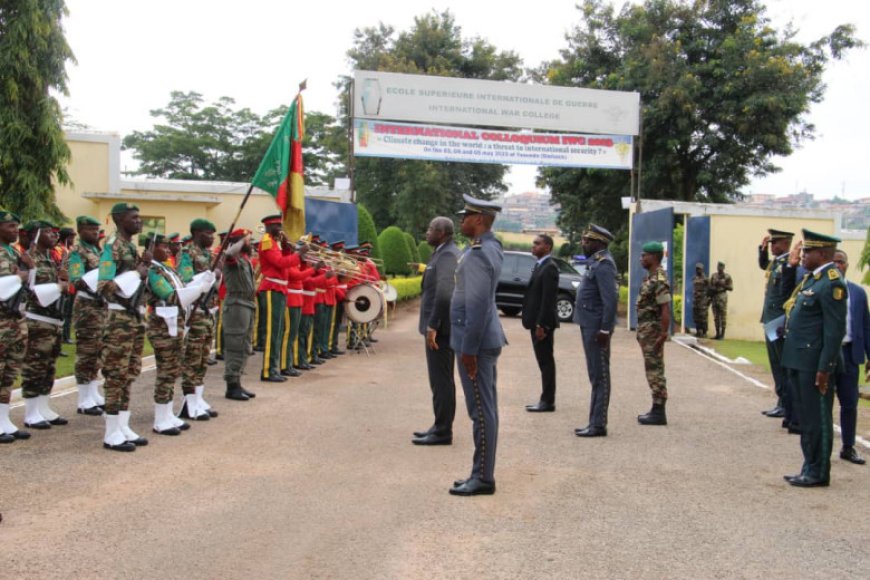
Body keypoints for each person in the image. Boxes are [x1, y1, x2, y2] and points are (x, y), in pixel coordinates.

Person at [449, 194, 507, 497]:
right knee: (485, 408)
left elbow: (477, 305)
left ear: (480, 220)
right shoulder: (488, 248)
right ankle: (480, 472)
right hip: (482, 340)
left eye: (467, 215)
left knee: (481, 411)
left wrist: (468, 350)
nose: (462, 220)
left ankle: (483, 477)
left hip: (477, 344)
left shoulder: (480, 253)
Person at [781, 229, 848, 487]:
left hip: (814, 366)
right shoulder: (813, 280)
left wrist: (825, 368)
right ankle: (809, 465)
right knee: (806, 418)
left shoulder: (832, 283)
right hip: (800, 361)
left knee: (817, 419)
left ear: (822, 254)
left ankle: (818, 471)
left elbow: (834, 331)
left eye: (808, 251)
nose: (803, 255)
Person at [97, 203, 149, 451]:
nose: (139, 221)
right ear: (119, 219)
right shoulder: (112, 247)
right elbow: (104, 286)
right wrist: (137, 274)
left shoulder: (130, 247)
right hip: (118, 319)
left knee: (129, 373)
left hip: (134, 318)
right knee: (116, 374)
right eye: (134, 217)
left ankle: (122, 425)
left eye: (139, 217)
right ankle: (111, 432)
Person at [412, 216, 460, 446]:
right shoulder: (441, 252)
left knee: (441, 380)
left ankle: (443, 431)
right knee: (438, 380)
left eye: (431, 229)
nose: (427, 232)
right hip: (437, 327)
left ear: (442, 233)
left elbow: (444, 292)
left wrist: (434, 325)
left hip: (440, 329)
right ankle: (439, 425)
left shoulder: (448, 254)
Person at [20, 220, 69, 431]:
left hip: (53, 320)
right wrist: (59, 286)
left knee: (49, 366)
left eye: (54, 232)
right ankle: (31, 412)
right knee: (35, 366)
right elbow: (32, 290)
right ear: (36, 234)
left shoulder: (50, 258)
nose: (54, 236)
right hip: (36, 319)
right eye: (48, 232)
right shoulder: (27, 258)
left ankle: (43, 406)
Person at [144, 233, 192, 435]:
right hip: (162, 326)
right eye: (163, 247)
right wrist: (196, 291)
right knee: (165, 371)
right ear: (152, 248)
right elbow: (170, 295)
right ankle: (160, 418)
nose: (168, 250)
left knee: (173, 369)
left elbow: (182, 287)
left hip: (175, 324)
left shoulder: (167, 268)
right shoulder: (153, 271)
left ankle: (168, 413)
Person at [573, 224, 618, 437]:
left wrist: (605, 330)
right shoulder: (595, 263)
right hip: (589, 325)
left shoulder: (604, 264)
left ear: (599, 243)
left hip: (597, 329)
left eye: (587, 241)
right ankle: (594, 421)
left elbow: (610, 301)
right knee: (595, 375)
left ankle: (598, 424)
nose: (584, 244)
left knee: (600, 375)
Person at [65, 215, 108, 416]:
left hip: (100, 306)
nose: (95, 233)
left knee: (98, 351)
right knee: (87, 352)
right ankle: (83, 398)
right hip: (87, 307)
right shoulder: (77, 252)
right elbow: (76, 279)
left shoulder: (97, 250)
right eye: (91, 229)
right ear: (81, 230)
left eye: (96, 229)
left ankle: (92, 392)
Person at [177, 219, 220, 419]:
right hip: (195, 312)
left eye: (213, 234)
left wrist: (217, 276)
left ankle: (198, 398)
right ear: (195, 233)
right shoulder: (187, 254)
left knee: (203, 358)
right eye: (207, 233)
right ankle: (188, 402)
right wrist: (207, 276)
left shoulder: (208, 255)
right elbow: (186, 281)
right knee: (192, 358)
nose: (211, 238)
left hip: (208, 311)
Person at [758, 230, 800, 424]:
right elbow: (763, 265)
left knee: (781, 363)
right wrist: (762, 250)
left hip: (778, 321)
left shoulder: (788, 266)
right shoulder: (776, 263)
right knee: (775, 363)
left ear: (785, 244)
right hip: (770, 319)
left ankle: (785, 403)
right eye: (771, 243)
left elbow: (786, 295)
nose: (772, 246)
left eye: (775, 243)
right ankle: (781, 400)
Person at [0, 210, 32, 444]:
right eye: (10, 226)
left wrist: (29, 270)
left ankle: (3, 421)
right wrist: (20, 276)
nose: (15, 231)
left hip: (15, 320)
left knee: (9, 374)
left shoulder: (13, 252)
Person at [831, 250, 866, 465]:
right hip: (830, 352)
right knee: (823, 402)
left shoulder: (858, 293)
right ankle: (821, 447)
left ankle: (848, 446)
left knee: (850, 403)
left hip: (850, 353)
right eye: (833, 262)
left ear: (847, 265)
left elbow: (866, 325)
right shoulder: (824, 289)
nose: (837, 265)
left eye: (841, 262)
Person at [256, 214, 299, 382]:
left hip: (279, 288)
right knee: (272, 332)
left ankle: (275, 367)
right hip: (271, 288)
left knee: (279, 330)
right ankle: (268, 370)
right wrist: (298, 255)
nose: (280, 229)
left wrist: (288, 248)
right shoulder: (267, 241)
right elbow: (280, 263)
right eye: (277, 226)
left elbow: (283, 263)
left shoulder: (275, 243)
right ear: (269, 227)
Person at [522, 234, 560, 414]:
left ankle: (547, 400)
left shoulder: (550, 268)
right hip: (536, 321)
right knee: (543, 361)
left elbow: (548, 300)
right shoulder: (540, 266)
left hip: (542, 324)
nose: (533, 246)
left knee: (546, 362)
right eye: (534, 243)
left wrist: (542, 325)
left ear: (547, 247)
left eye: (537, 244)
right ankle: (546, 398)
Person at [635, 241, 671, 426]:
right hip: (646, 330)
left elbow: (665, 308)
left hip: (653, 331)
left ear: (654, 257)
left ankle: (659, 411)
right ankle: (656, 409)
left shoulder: (659, 280)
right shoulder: (650, 278)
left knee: (655, 370)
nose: (641, 258)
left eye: (645, 255)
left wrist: (663, 333)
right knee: (652, 369)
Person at [222, 229, 258, 401]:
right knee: (235, 345)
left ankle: (238, 381)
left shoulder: (245, 260)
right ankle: (231, 385)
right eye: (247, 241)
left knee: (244, 346)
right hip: (236, 305)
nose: (250, 244)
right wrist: (242, 241)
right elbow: (228, 252)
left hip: (247, 304)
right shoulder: (232, 257)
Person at [709, 261, 733, 339]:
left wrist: (723, 284)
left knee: (723, 316)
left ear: (723, 268)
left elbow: (731, 288)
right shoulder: (714, 276)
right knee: (716, 317)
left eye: (721, 267)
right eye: (718, 266)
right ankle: (717, 334)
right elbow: (710, 286)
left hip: (722, 296)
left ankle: (722, 334)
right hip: (715, 296)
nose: (719, 268)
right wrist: (713, 287)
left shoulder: (727, 276)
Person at [691, 263, 710, 338]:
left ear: (702, 269)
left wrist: (708, 299)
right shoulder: (694, 278)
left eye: (699, 269)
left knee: (703, 316)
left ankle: (704, 331)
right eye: (696, 269)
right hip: (696, 300)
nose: (697, 270)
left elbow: (710, 289)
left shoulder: (705, 279)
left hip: (703, 300)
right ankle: (698, 331)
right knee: (696, 315)